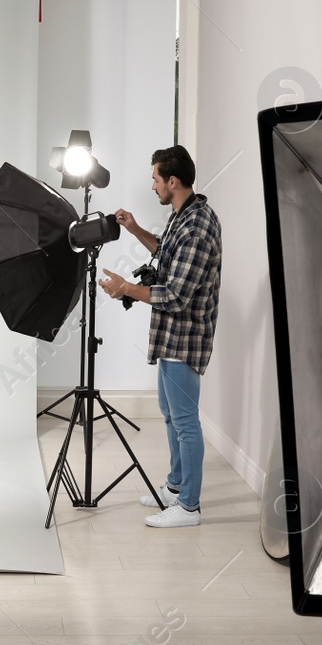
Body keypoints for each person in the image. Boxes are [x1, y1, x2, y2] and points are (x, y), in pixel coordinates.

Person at [98, 145, 223, 529]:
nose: (152, 186)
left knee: (185, 422)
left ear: (172, 180)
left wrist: (126, 289)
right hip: (170, 335)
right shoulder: (182, 216)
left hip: (185, 336)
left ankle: (189, 508)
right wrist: (134, 228)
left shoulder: (198, 226)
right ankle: (175, 486)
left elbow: (177, 294)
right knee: (170, 416)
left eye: (155, 179)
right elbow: (166, 255)